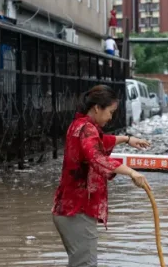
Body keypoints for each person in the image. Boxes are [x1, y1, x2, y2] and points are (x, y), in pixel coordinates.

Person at [52, 85, 151, 267]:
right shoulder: (86, 129)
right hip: (78, 210)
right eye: (110, 112)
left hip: (68, 208)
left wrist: (127, 139)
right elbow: (97, 157)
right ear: (97, 108)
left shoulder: (80, 125)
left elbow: (99, 142)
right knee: (86, 264)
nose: (111, 117)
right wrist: (131, 172)